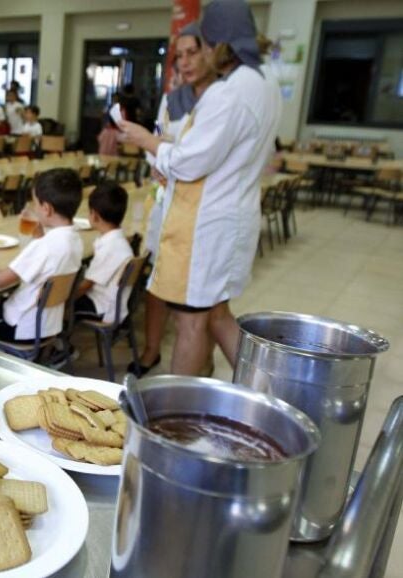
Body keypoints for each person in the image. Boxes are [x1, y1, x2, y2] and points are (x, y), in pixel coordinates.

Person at [118, 0, 280, 376]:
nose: (200, 55)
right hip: (234, 213)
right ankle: (265, 392)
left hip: (205, 226)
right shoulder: (266, 82)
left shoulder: (228, 92)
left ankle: (178, 408)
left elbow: (189, 162)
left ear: (219, 44)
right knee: (218, 315)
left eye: (203, 46)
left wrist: (146, 140)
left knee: (191, 322)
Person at [129, 22, 217, 377]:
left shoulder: (218, 100)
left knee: (199, 303)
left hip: (199, 207)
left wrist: (169, 157)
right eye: (178, 57)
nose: (183, 63)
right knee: (157, 278)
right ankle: (151, 350)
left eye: (191, 53)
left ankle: (202, 364)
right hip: (166, 199)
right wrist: (157, 160)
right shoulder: (171, 101)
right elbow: (158, 139)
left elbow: (198, 157)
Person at [0, 169, 84, 342]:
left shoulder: (45, 246)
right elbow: (47, 264)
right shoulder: (74, 239)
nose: (34, 208)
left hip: (19, 327)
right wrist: (39, 235)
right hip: (47, 326)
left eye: (35, 203)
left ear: (46, 209)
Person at [73, 181, 134, 324]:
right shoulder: (118, 241)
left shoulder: (110, 248)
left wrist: (63, 301)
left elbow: (86, 286)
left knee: (55, 305)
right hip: (112, 302)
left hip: (102, 307)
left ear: (94, 216)